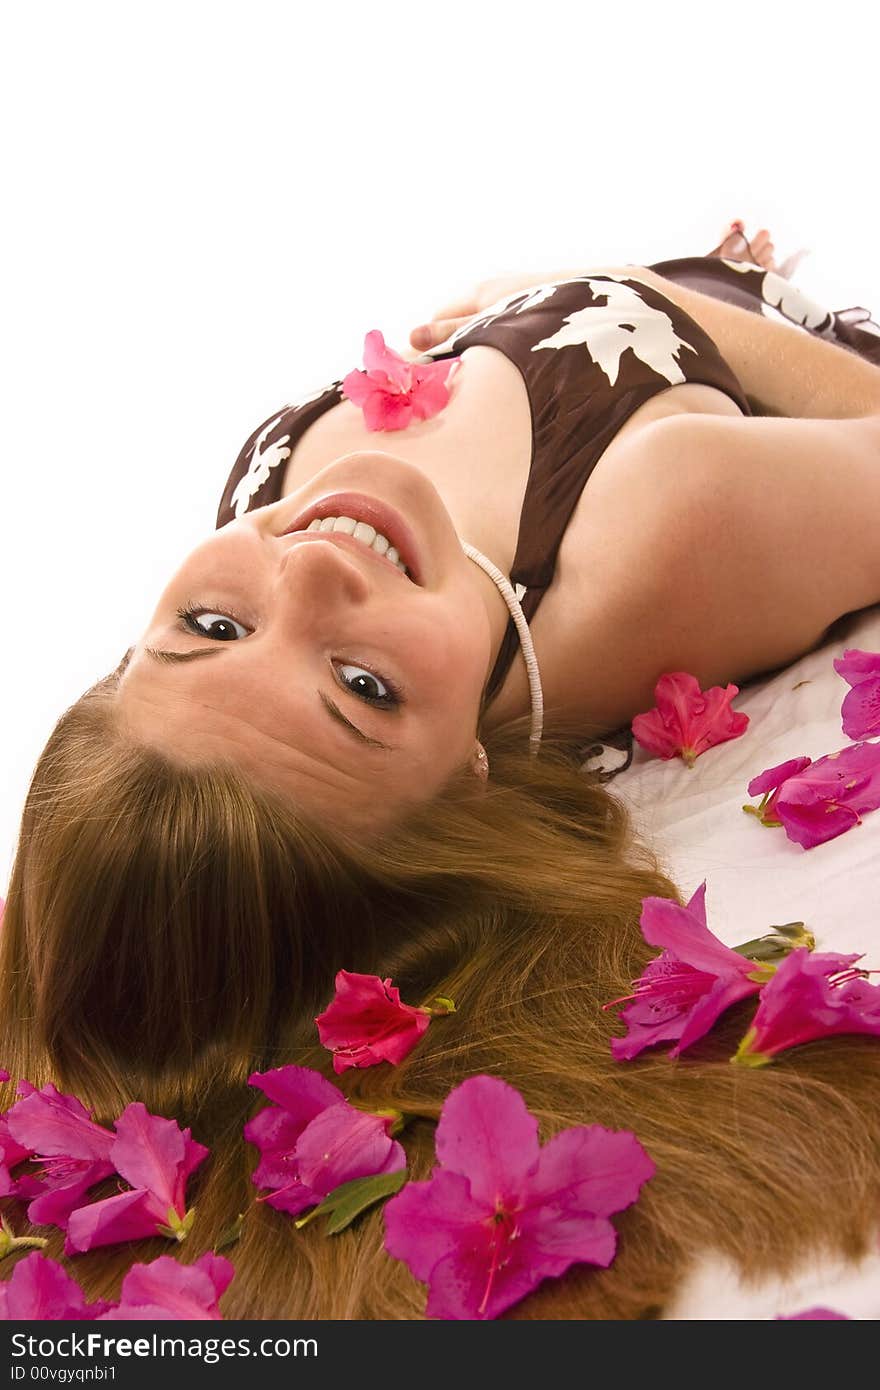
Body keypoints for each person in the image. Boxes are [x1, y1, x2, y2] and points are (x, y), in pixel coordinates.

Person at [3, 223, 880, 1319]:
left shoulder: (292, 561)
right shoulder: (661, 526)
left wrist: (521, 305)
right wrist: (660, 292)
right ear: (464, 777)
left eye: (213, 624)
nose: (311, 563)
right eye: (361, 688)